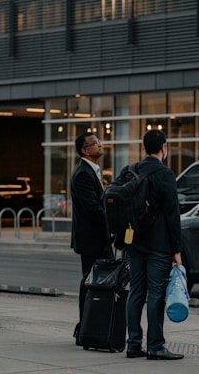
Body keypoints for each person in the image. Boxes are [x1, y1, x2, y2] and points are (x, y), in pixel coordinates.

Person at [124, 129, 184, 361]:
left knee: (136, 291)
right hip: (158, 244)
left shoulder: (130, 171)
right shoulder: (165, 174)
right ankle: (156, 346)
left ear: (144, 147)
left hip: (134, 241)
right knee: (156, 293)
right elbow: (172, 214)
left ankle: (133, 344)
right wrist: (176, 249)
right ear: (163, 147)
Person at [70, 132, 113, 344]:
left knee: (94, 283)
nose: (100, 145)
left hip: (98, 239)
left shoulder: (92, 171)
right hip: (91, 240)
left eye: (99, 141)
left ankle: (90, 326)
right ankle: (84, 328)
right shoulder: (83, 174)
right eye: (95, 143)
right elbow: (93, 209)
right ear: (85, 150)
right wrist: (112, 222)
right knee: (89, 283)